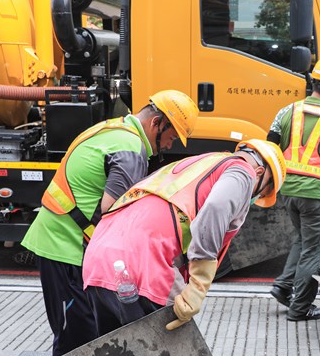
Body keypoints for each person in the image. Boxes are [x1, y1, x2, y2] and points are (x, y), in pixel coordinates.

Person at [22, 90, 199, 356]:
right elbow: (115, 214)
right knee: (75, 340)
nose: (169, 144)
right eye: (171, 136)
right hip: (64, 250)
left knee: (85, 334)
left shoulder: (116, 129)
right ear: (156, 124)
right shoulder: (130, 150)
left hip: (70, 247)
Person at [82, 139, 286, 335]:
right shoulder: (244, 171)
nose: (255, 198)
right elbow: (216, 207)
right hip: (145, 266)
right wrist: (198, 284)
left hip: (98, 260)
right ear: (260, 172)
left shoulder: (199, 163)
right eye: (263, 192)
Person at [268, 56, 320, 321]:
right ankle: (300, 308)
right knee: (313, 251)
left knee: (303, 240)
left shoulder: (286, 111)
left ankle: (283, 286)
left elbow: (271, 147)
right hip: (315, 194)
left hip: (289, 190)